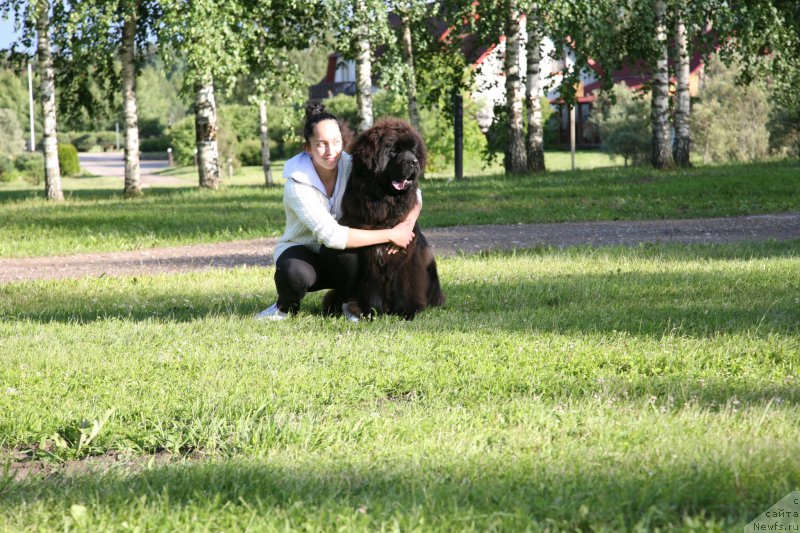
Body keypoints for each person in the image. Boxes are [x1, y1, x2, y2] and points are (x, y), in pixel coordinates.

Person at [256, 103, 421, 321]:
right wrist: (391, 235)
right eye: (321, 144)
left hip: (340, 256)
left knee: (350, 253)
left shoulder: (352, 164)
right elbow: (332, 236)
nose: (331, 151)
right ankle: (284, 307)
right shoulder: (297, 183)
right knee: (292, 272)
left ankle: (350, 303)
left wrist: (406, 226)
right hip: (305, 253)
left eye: (336, 142)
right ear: (308, 148)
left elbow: (416, 195)